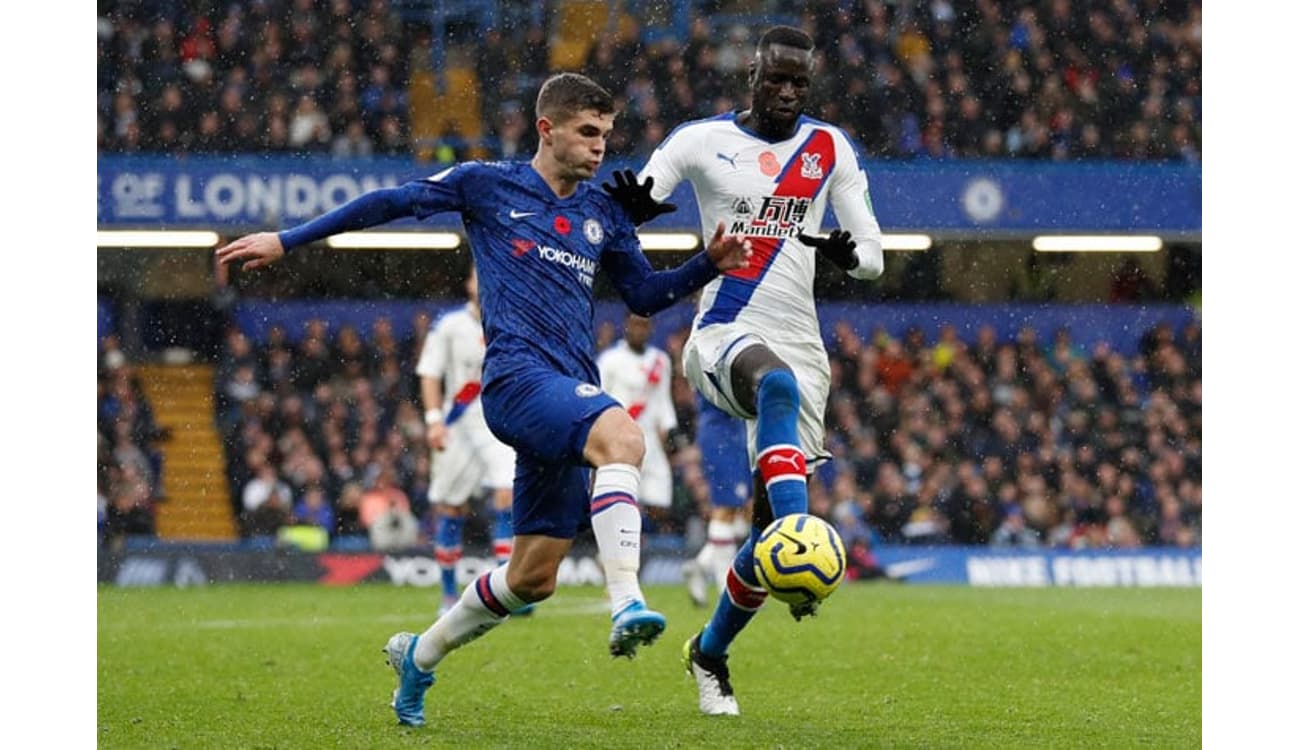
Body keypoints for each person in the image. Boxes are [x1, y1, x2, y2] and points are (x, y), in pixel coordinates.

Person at [216, 71, 752, 727]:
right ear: (546, 128)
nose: (600, 147)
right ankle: (626, 602)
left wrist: (707, 264)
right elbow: (389, 202)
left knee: (532, 577)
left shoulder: (604, 213)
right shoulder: (486, 184)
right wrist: (289, 239)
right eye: (588, 132)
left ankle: (419, 655)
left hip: (564, 391)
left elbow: (641, 296)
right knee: (624, 440)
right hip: (516, 382)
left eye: (607, 135)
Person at [605, 26, 884, 716]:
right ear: (752, 74)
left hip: (803, 339)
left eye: (799, 83)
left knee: (762, 546)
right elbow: (640, 196)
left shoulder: (828, 148)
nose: (787, 92)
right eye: (776, 79)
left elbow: (873, 254)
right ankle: (801, 534)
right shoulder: (701, 141)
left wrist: (849, 254)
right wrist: (633, 211)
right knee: (776, 386)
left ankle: (710, 653)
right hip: (723, 328)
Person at [416, 264, 524, 616]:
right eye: (478, 274)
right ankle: (448, 593)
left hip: (499, 422)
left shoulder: (512, 320)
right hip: (458, 425)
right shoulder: (449, 327)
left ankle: (506, 591)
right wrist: (433, 421)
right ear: (468, 284)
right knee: (451, 508)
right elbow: (430, 373)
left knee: (507, 494)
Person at [596, 312, 677, 531]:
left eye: (644, 326)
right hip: (620, 438)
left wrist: (667, 431)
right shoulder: (610, 360)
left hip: (650, 439)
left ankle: (647, 549)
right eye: (635, 325)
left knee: (659, 503)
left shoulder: (660, 360)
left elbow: (663, 401)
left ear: (651, 328)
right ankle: (619, 551)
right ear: (626, 326)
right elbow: (599, 398)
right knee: (622, 500)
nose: (639, 330)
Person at [680, 396, 753, 608]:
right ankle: (727, 589)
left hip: (737, 433)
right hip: (720, 434)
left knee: (747, 509)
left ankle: (701, 566)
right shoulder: (710, 363)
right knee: (726, 508)